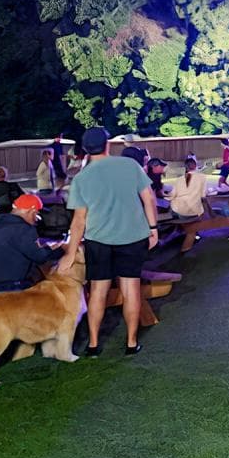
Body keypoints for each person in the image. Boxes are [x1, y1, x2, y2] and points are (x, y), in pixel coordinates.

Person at [58, 127, 160, 356]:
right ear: (107, 144)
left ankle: (93, 345)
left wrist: (71, 252)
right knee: (131, 289)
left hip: (99, 240)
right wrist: (153, 228)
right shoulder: (130, 166)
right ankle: (131, 343)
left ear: (85, 149)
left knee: (98, 292)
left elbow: (79, 220)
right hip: (133, 237)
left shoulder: (82, 179)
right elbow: (149, 199)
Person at [0, 193, 62, 298]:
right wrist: (60, 247)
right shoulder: (22, 229)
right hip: (0, 289)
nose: (37, 219)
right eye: (37, 214)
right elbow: (41, 257)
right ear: (31, 211)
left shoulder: (1, 224)